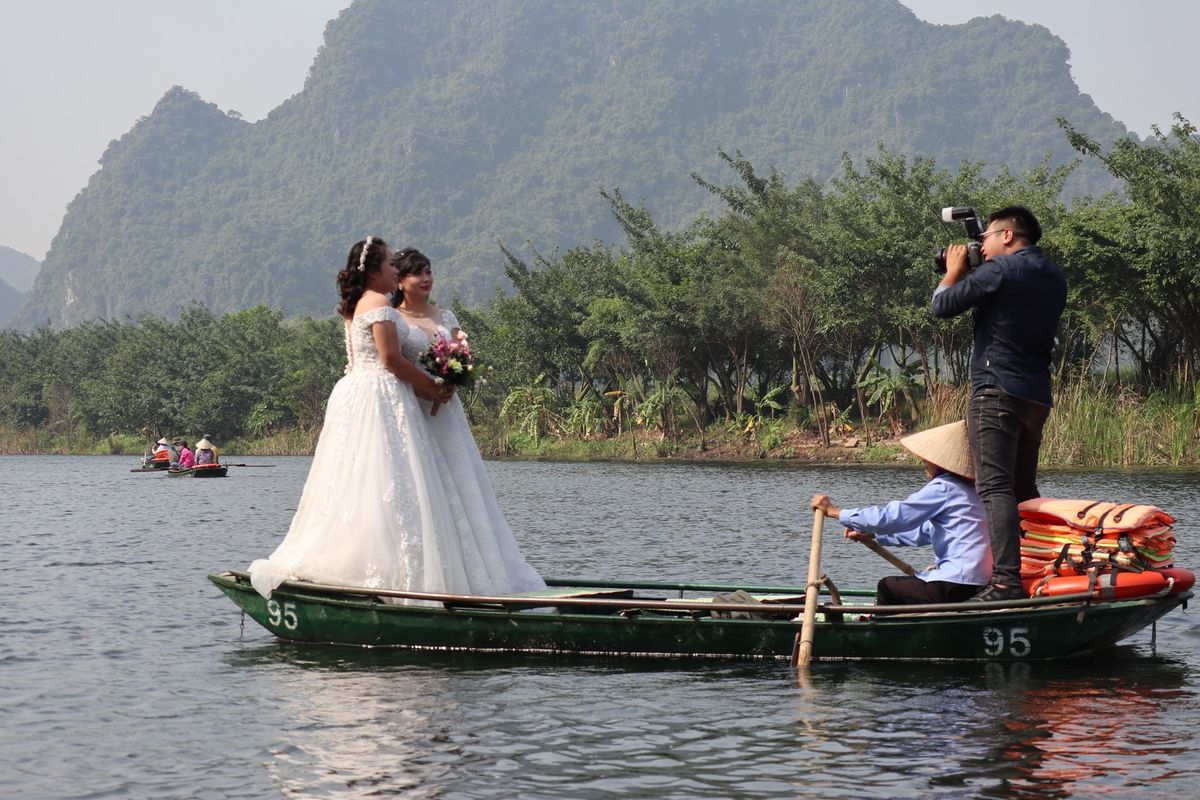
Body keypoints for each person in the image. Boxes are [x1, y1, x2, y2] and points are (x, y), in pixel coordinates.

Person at [249, 237, 544, 601]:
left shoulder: (364, 304)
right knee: (392, 483)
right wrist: (433, 389)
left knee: (373, 484)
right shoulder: (380, 307)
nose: (396, 269)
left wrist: (447, 380)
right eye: (392, 264)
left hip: (367, 393)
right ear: (375, 270)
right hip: (382, 397)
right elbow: (391, 359)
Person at [390, 246, 546, 594]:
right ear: (399, 280)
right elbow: (396, 367)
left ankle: (477, 572)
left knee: (462, 485)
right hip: (415, 411)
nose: (426, 278)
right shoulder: (394, 320)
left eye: (429, 271)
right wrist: (428, 387)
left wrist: (457, 374)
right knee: (425, 489)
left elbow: (462, 353)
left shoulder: (445, 316)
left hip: (447, 413)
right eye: (417, 273)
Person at [932, 206, 1067, 601]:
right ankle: (1034, 570)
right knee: (1023, 487)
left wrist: (954, 270)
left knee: (995, 489)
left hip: (997, 392)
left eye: (986, 238)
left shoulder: (1001, 271)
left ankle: (1006, 583)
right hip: (1036, 398)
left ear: (1007, 235)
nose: (982, 247)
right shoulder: (1053, 276)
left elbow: (942, 306)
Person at [810, 421, 991, 606]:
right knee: (904, 587)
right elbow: (923, 532)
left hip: (958, 582)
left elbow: (895, 517)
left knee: (887, 587)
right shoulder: (971, 491)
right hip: (974, 581)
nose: (924, 463)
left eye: (927, 459)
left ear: (940, 462)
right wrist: (874, 534)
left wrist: (836, 512)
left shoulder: (944, 488)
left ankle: (883, 631)